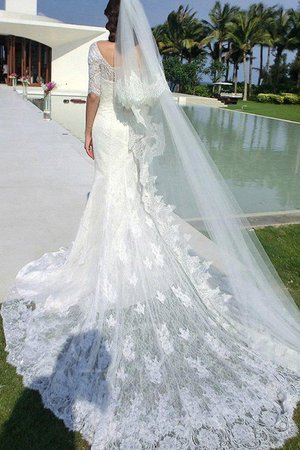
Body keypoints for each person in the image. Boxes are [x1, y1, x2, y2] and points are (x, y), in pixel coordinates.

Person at [1, 0, 300, 448]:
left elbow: (95, 96)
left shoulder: (99, 50)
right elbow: (154, 102)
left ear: (110, 18)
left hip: (106, 128)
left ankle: (107, 259)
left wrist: (85, 133)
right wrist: (138, 125)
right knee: (131, 197)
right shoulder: (145, 55)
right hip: (131, 132)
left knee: (107, 191)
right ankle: (133, 252)